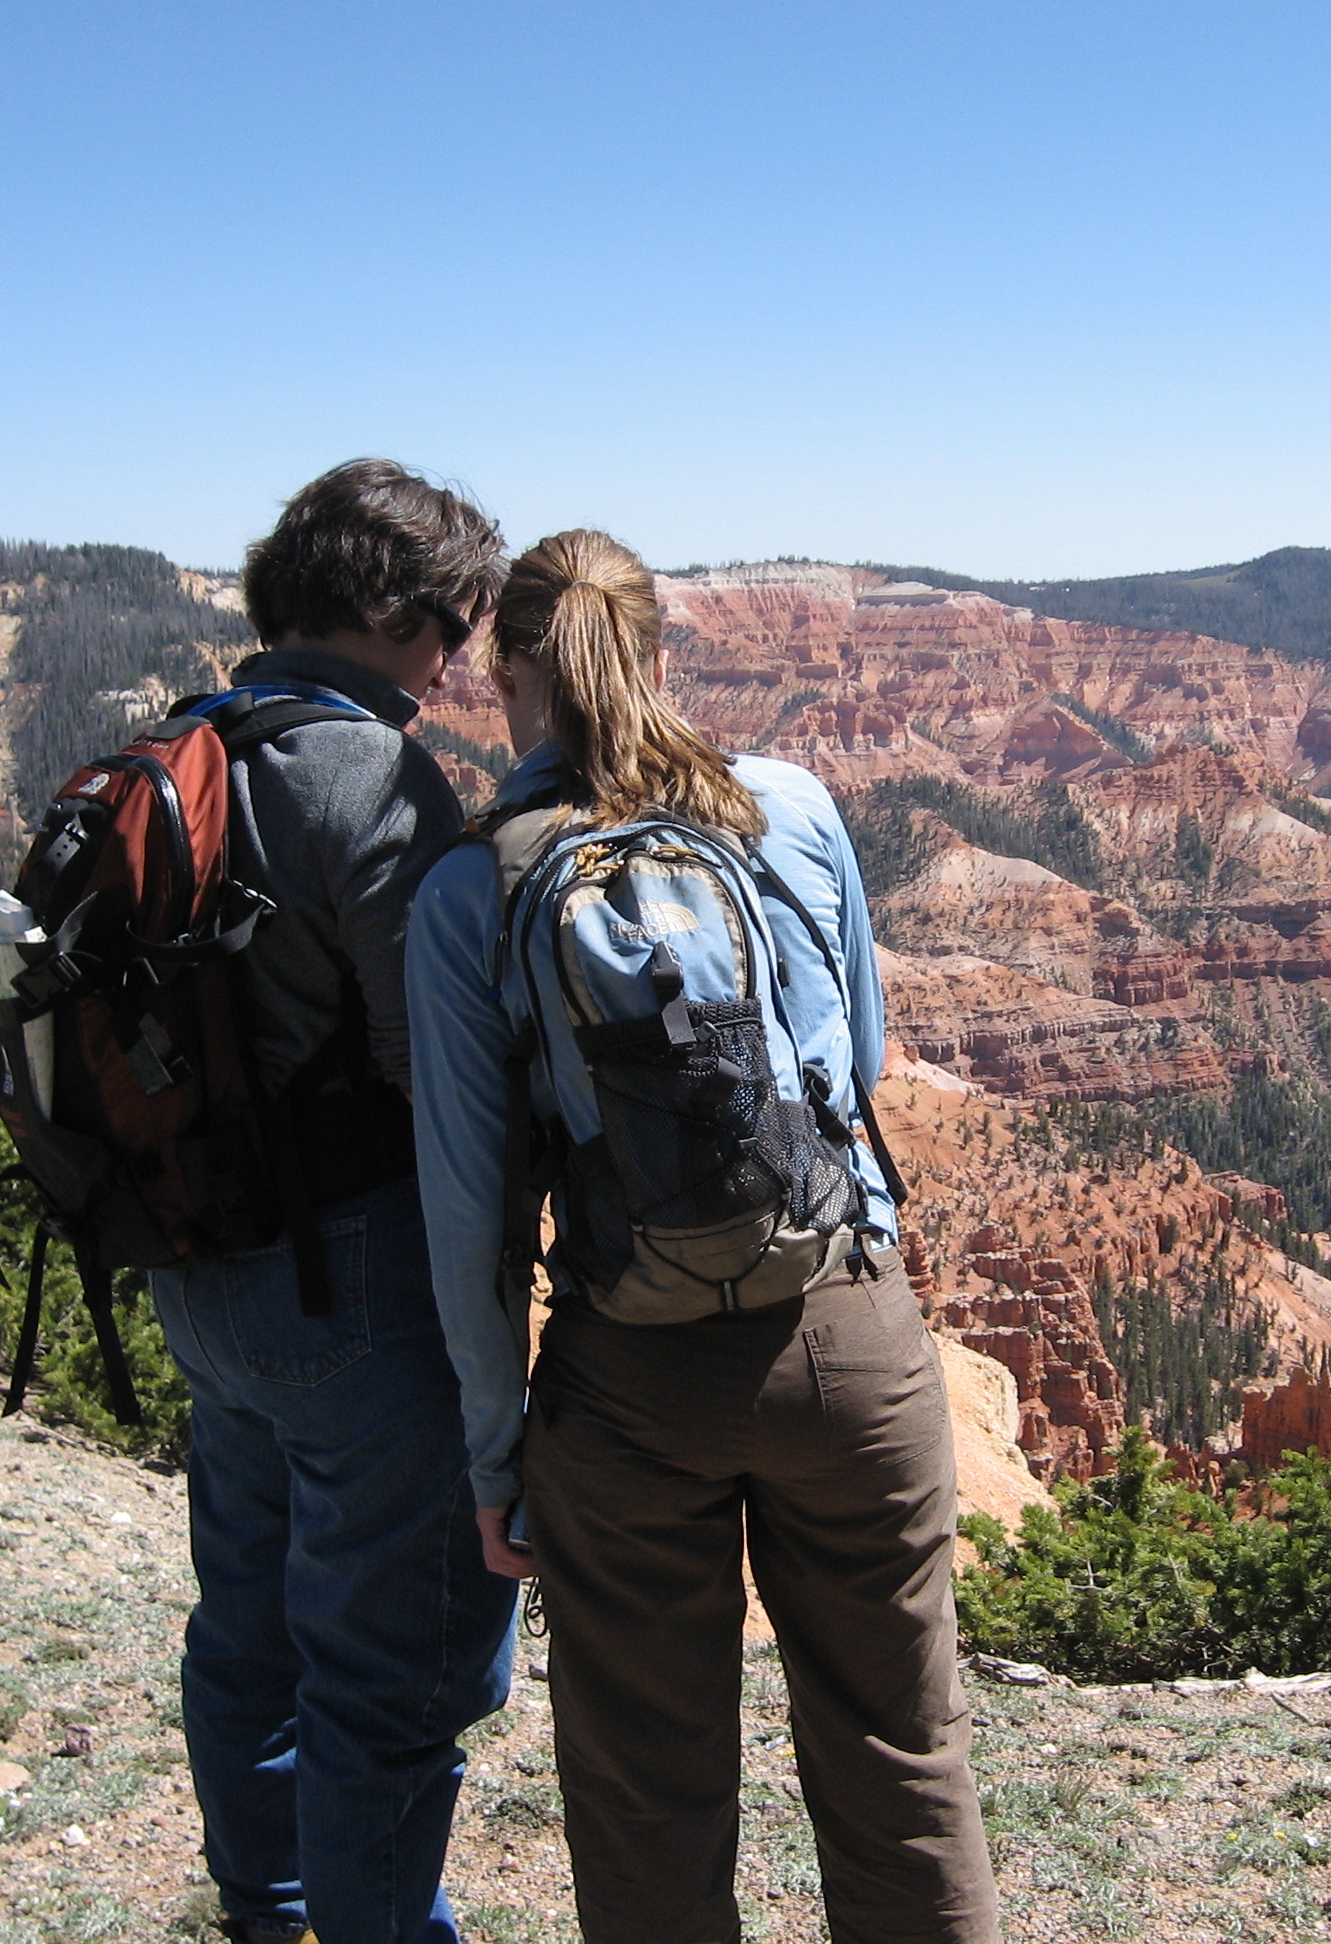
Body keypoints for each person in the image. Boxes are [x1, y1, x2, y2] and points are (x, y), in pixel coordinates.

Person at [407, 529, 1002, 1944]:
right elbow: (849, 1066)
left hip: (632, 1380)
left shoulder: (469, 890)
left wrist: (499, 1457)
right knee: (902, 1756)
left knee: (647, 1798)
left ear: (505, 677)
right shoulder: (789, 807)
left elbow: (471, 1216)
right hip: (850, 1339)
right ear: (662, 654)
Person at [149, 459, 518, 1944]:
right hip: (355, 1289)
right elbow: (436, 1074)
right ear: (389, 608)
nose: (454, 665)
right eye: (449, 626)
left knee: (246, 1631)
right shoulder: (364, 776)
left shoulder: (194, 743)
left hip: (201, 1269)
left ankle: (269, 1912)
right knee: (389, 1675)